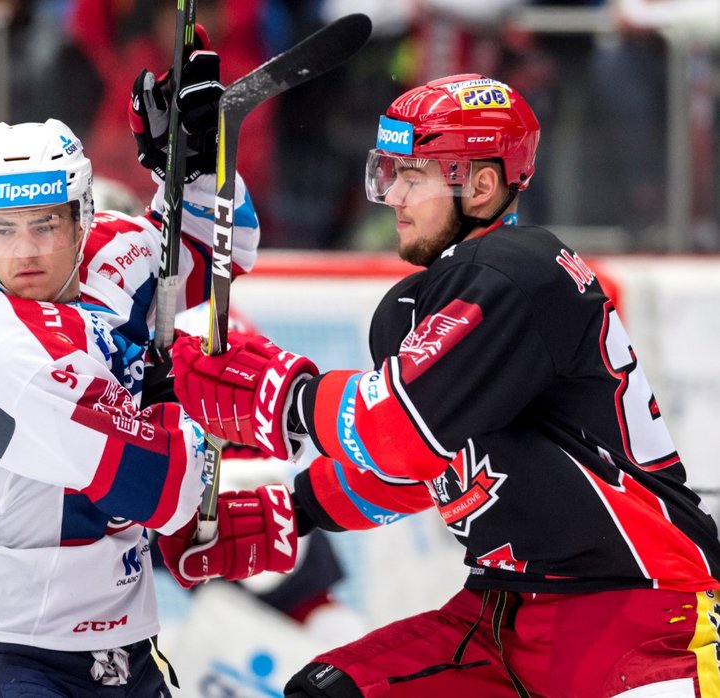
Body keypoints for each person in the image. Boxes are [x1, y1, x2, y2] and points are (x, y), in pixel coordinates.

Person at [158, 73, 720, 697]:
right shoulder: (425, 302)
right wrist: (296, 507)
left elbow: (394, 435)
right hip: (500, 616)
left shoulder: (517, 273)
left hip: (636, 617)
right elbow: (421, 470)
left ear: (480, 185)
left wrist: (282, 393)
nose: (393, 195)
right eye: (387, 172)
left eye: (414, 175)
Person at [0, 51, 262, 696]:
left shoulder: (115, 251)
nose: (26, 251)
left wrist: (196, 163)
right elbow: (161, 489)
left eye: (44, 225)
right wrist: (186, 392)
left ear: (81, 218)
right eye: (3, 230)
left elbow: (222, 244)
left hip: (110, 633)